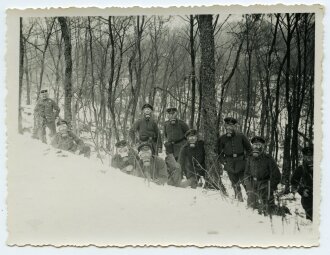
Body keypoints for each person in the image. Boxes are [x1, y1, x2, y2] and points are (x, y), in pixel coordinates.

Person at [217, 117, 252, 201]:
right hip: (229, 163)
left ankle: (251, 200)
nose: (229, 128)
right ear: (225, 126)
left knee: (245, 182)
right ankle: (239, 200)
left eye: (231, 126)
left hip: (241, 162)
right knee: (234, 183)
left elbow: (249, 149)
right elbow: (219, 153)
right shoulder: (222, 139)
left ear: (235, 127)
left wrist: (246, 159)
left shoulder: (241, 136)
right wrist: (224, 162)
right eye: (227, 126)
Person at [244, 136, 281, 215]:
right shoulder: (250, 158)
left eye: (259, 145)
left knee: (268, 209)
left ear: (263, 147)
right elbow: (246, 173)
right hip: (253, 184)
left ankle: (281, 210)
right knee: (251, 207)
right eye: (254, 145)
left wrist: (270, 187)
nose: (256, 147)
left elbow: (277, 175)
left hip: (265, 184)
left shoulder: (268, 159)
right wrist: (248, 185)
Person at [291, 146, 314, 221]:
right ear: (304, 157)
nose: (309, 158)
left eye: (311, 156)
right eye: (307, 156)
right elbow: (293, 182)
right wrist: (301, 191)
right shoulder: (301, 169)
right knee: (311, 220)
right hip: (308, 198)